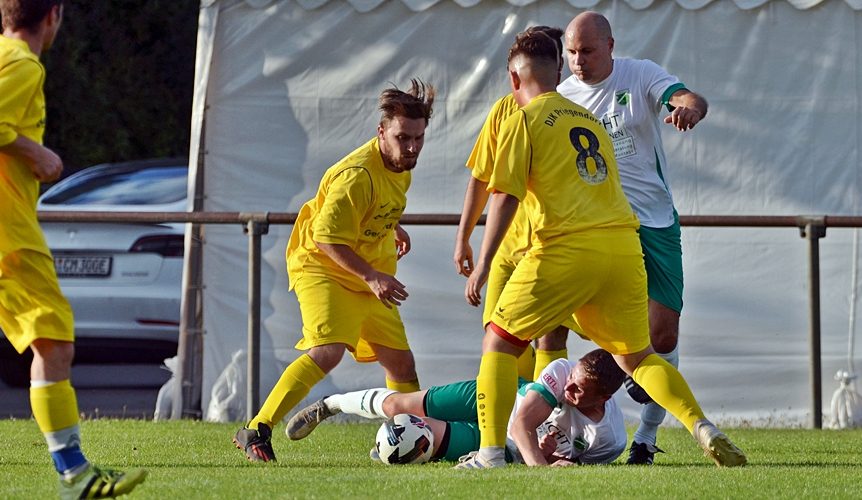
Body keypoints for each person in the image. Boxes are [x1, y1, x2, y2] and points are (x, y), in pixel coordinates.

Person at [457, 29, 745, 470]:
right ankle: (701, 425)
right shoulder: (587, 118)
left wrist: (485, 261)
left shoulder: (522, 118)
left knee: (498, 341)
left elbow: (504, 196)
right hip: (623, 248)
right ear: (557, 71)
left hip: (568, 248)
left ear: (515, 81)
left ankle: (492, 454)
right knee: (638, 357)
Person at [234, 79, 435, 462]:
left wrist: (393, 225)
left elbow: (376, 203)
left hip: (367, 273)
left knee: (400, 363)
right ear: (381, 132)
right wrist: (373, 276)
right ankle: (256, 428)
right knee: (328, 351)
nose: (411, 147)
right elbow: (327, 238)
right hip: (324, 266)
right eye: (402, 137)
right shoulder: (356, 175)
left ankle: (410, 439)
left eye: (418, 138)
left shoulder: (400, 164)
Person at [0, 1, 149, 497]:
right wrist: (34, 151)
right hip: (7, 234)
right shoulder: (22, 63)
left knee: (50, 341)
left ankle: (75, 474)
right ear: (53, 15)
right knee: (53, 341)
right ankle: (75, 475)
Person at [556, 11, 710, 465]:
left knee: (662, 338)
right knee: (553, 325)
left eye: (586, 50)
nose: (578, 61)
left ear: (610, 45)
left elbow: (685, 96)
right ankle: (538, 426)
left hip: (655, 223)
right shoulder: (560, 99)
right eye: (571, 52)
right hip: (600, 229)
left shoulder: (638, 74)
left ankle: (645, 433)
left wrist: (689, 109)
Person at [454, 25, 579, 381]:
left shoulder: (571, 111)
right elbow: (482, 176)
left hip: (550, 248)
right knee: (498, 337)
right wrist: (463, 236)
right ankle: (511, 422)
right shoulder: (506, 111)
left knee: (550, 333)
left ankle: (539, 420)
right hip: (508, 250)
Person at [286, 348, 628, 466]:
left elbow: (559, 460)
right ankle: (329, 405)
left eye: (579, 389)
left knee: (424, 442)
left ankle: (391, 449)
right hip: (493, 396)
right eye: (572, 380)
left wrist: (548, 455)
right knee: (399, 406)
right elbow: (522, 423)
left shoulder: (608, 440)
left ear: (605, 398)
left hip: (501, 447)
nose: (568, 386)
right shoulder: (562, 371)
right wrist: (540, 464)